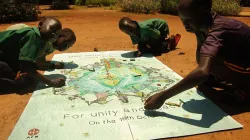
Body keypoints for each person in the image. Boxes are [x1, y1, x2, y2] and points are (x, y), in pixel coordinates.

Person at [144, 0, 250, 110]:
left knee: (211, 63)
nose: (185, 24)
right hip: (241, 59)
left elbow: (202, 72)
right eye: (182, 19)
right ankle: (222, 79)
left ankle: (245, 91)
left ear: (205, 9)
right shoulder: (201, 25)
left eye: (189, 19)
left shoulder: (218, 29)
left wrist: (163, 96)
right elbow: (201, 54)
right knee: (206, 59)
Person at [0, 17, 66, 94]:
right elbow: (28, 68)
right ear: (40, 25)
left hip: (6, 59)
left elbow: (28, 63)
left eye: (57, 35)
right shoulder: (33, 35)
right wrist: (50, 82)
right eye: (53, 30)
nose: (54, 35)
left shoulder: (42, 42)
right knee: (22, 83)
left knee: (28, 79)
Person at [6, 24, 76, 71]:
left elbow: (40, 57)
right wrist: (53, 66)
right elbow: (39, 63)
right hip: (11, 42)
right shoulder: (47, 40)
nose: (65, 48)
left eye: (68, 47)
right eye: (65, 43)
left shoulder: (53, 45)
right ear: (59, 35)